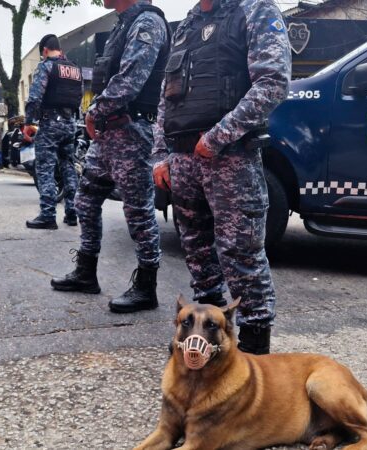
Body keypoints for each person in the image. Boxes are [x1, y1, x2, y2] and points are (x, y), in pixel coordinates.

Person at [151, 0, 291, 354]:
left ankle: (255, 346)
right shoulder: (186, 25)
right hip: (183, 158)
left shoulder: (255, 9)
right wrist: (160, 155)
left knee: (240, 254)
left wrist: (217, 137)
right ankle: (206, 336)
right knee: (196, 252)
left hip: (231, 157)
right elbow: (165, 98)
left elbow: (273, 82)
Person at [50, 0, 170, 313]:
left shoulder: (147, 22)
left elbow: (131, 79)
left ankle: (146, 287)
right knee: (85, 201)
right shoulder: (123, 24)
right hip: (109, 133)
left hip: (133, 130)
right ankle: (86, 272)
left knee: (138, 212)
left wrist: (94, 111)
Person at [23, 34, 82, 230]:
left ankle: (48, 214)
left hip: (50, 124)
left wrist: (29, 122)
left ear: (45, 51)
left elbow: (34, 98)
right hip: (70, 123)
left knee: (45, 168)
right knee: (68, 166)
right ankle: (72, 212)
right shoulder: (75, 68)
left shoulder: (46, 66)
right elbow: (78, 97)